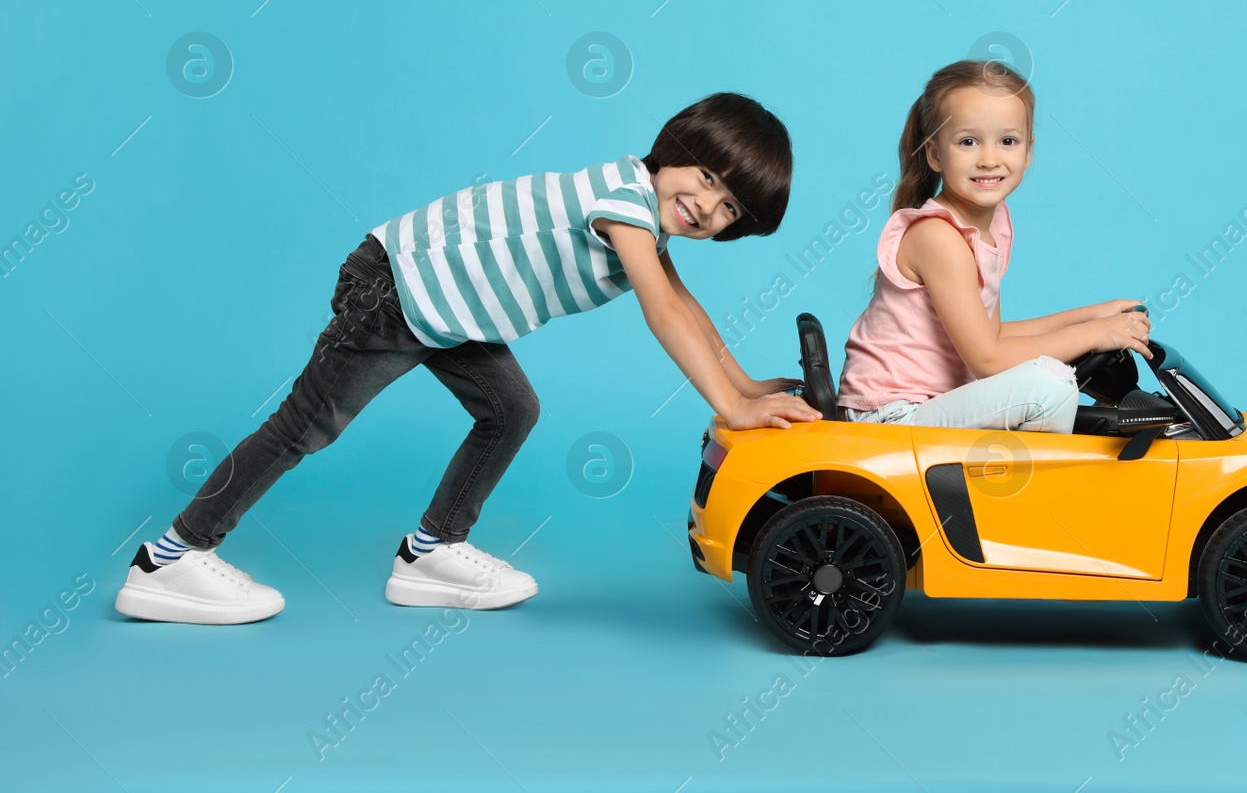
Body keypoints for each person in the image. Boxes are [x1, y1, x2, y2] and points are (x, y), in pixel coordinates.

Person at [114, 93, 818, 624]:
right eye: (704, 176)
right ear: (673, 148)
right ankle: (169, 560)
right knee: (306, 425)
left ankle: (430, 550)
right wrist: (731, 407)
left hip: (452, 311)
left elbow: (685, 305)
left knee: (511, 408)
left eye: (728, 208)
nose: (704, 204)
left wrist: (746, 383)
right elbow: (660, 311)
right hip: (395, 286)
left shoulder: (650, 225)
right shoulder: (622, 194)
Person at [835, 60, 1151, 433]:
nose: (989, 159)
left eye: (1008, 141)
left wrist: (1091, 316)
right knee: (1048, 384)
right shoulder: (939, 237)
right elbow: (988, 359)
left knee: (1049, 378)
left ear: (1028, 151)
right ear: (935, 154)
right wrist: (1094, 335)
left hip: (933, 404)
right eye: (968, 142)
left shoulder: (994, 225)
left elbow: (994, 336)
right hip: (890, 415)